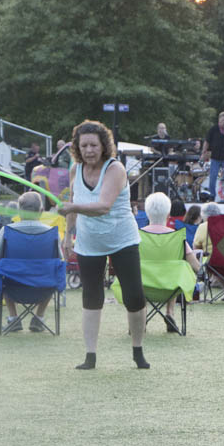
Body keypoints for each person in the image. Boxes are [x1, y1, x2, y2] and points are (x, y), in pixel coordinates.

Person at [59, 120, 149, 370]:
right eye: (84, 145)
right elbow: (74, 200)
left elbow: (103, 206)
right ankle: (90, 355)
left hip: (122, 239)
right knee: (91, 296)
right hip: (89, 241)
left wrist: (72, 207)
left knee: (134, 295)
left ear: (103, 146)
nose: (89, 150)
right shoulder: (76, 169)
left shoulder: (115, 169)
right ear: (77, 147)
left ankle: (137, 350)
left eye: (93, 145)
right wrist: (68, 236)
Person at [0, 191, 55, 332]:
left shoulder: (7, 231)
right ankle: (39, 316)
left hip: (13, 286)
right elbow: (58, 259)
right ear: (41, 211)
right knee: (54, 271)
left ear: (19, 210)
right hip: (43, 286)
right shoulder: (51, 233)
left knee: (4, 270)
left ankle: (13, 317)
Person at [142, 192, 200, 331]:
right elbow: (195, 266)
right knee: (177, 270)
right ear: (168, 214)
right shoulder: (177, 238)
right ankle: (170, 312)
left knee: (139, 270)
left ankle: (141, 316)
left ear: (146, 212)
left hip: (142, 288)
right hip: (169, 288)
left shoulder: (137, 236)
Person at [191, 202, 224, 300]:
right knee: (220, 259)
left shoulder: (203, 227)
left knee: (209, 259)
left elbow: (196, 247)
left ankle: (198, 287)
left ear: (204, 215)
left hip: (214, 263)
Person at [201, 111, 224, 202]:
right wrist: (203, 151)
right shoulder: (213, 129)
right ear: (219, 120)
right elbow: (207, 141)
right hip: (215, 158)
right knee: (212, 177)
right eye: (222, 120)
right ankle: (212, 196)